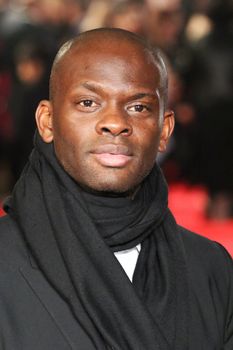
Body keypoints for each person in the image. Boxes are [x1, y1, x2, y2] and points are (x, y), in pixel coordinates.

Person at [0, 28, 232, 350]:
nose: (114, 121)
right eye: (88, 102)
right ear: (48, 121)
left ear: (164, 130)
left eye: (138, 107)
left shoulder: (210, 269)